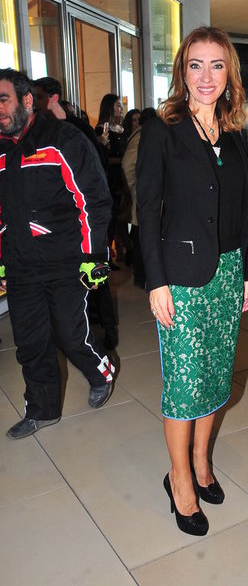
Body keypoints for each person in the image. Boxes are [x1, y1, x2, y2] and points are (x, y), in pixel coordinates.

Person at [137, 26, 248, 536]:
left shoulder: (233, 134)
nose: (206, 76)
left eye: (216, 65)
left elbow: (243, 208)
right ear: (182, 71)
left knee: (214, 377)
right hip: (181, 279)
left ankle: (202, 461)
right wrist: (156, 281)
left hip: (228, 273)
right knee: (184, 386)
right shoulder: (162, 130)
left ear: (229, 72)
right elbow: (147, 210)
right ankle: (180, 478)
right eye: (195, 65)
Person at [0, 68, 115, 439]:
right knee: (30, 341)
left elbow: (92, 200)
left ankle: (100, 371)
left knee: (69, 331)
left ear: (27, 101)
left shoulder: (62, 139)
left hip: (66, 259)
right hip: (20, 263)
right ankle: (42, 409)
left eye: (3, 100)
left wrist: (93, 257)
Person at [33, 76, 119, 350]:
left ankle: (108, 331)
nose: (33, 103)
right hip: (58, 225)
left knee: (96, 279)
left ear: (53, 98)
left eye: (38, 97)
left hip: (85, 218)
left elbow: (96, 177)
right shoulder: (39, 131)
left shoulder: (76, 129)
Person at [122, 107, 157, 288]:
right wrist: (133, 189)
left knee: (141, 236)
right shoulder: (142, 136)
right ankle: (142, 278)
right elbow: (128, 165)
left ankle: (143, 277)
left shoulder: (141, 135)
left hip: (143, 194)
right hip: (143, 195)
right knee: (142, 237)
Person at [95, 94, 130, 266]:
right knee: (112, 217)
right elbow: (102, 156)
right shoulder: (102, 129)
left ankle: (124, 250)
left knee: (122, 216)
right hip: (112, 177)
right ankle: (109, 256)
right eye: (117, 105)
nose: (120, 108)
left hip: (123, 175)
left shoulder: (122, 129)